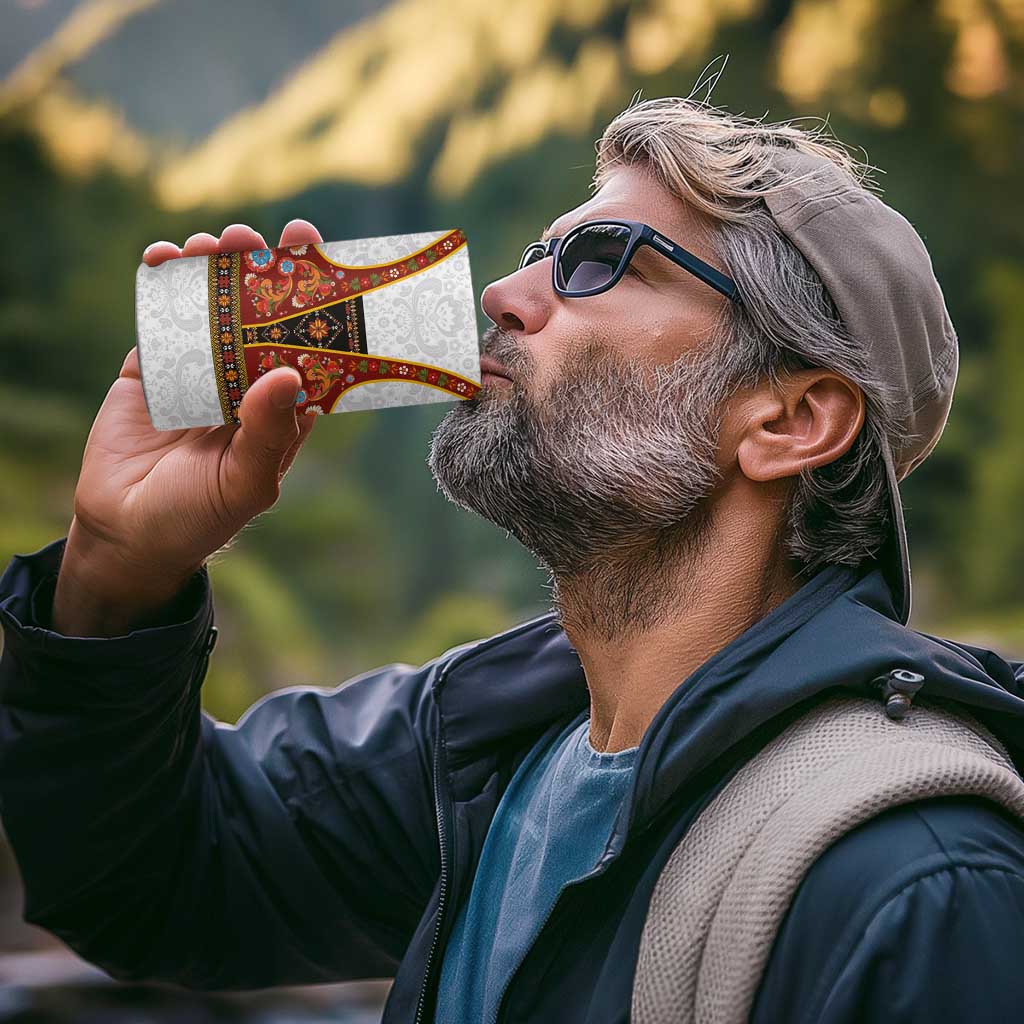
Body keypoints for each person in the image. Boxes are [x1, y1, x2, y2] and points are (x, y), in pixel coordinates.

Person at [2, 94, 1024, 1024]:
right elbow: (148, 880)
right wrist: (116, 571)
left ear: (790, 419)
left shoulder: (918, 884)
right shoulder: (481, 749)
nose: (503, 292)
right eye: (540, 252)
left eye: (599, 261)